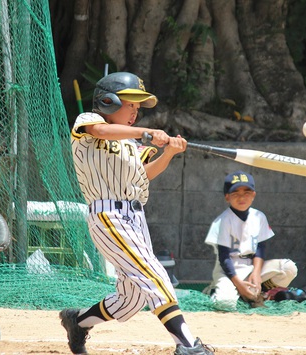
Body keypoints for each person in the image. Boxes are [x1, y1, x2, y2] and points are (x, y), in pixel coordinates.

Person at [60, 72, 214, 355]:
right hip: (108, 216)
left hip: (135, 217)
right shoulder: (88, 122)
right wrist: (147, 133)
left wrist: (168, 152)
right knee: (153, 273)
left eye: (137, 108)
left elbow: (144, 175)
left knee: (131, 299)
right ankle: (188, 345)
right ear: (108, 101)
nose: (136, 112)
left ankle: (77, 321)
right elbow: (103, 132)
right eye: (131, 105)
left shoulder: (131, 145)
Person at [203, 170, 298, 311]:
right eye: (236, 193)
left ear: (253, 195)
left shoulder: (259, 216)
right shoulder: (223, 221)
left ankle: (257, 292)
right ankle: (214, 290)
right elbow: (224, 258)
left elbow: (260, 249)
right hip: (228, 270)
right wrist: (239, 285)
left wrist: (256, 274)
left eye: (246, 192)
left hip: (251, 266)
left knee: (288, 268)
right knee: (225, 304)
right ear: (227, 197)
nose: (242, 197)